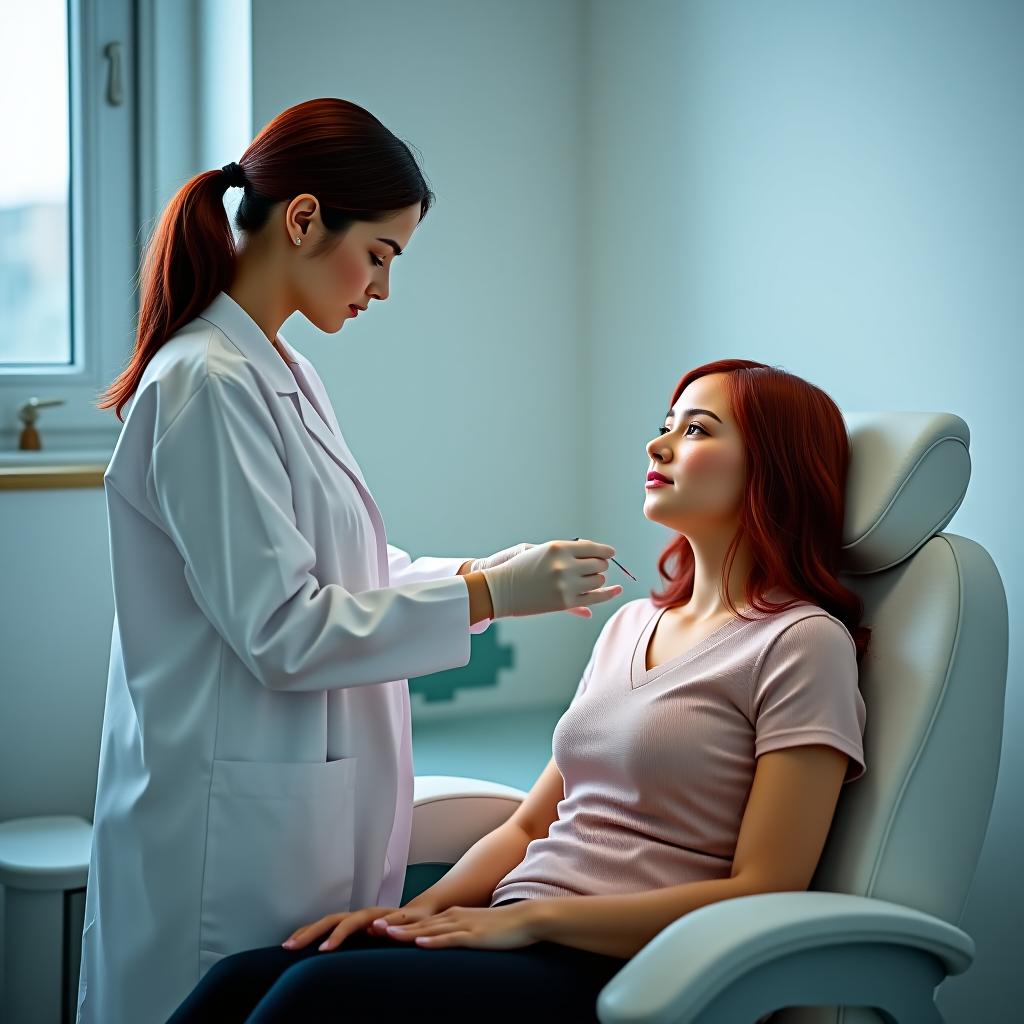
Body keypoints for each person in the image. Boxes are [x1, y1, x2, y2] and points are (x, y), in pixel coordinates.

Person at [75, 97, 623, 1024]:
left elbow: (348, 572)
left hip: (285, 804)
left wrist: (486, 579)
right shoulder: (207, 384)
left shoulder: (278, 372)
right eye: (380, 254)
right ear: (302, 219)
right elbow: (284, 629)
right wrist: (489, 591)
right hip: (225, 826)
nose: (381, 287)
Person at [167, 358, 871, 1024]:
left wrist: (531, 919)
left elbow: (762, 887)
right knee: (247, 977)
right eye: (667, 423)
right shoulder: (632, 622)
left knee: (313, 1000)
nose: (658, 445)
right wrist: (416, 916)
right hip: (520, 930)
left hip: (633, 968)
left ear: (772, 472)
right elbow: (531, 826)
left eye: (696, 430)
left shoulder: (802, 644)